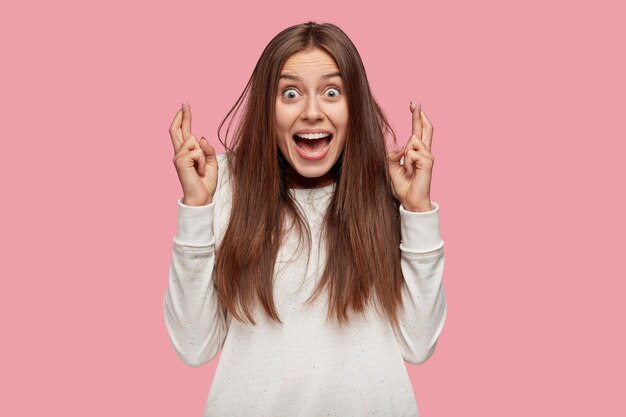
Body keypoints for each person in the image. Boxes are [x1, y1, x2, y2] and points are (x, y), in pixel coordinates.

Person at [163, 21, 447, 417]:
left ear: (355, 107)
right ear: (268, 106)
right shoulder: (224, 186)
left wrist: (417, 211)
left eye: (332, 92)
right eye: (290, 93)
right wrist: (196, 209)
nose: (312, 112)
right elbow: (193, 346)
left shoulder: (391, 190)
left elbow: (418, 344)